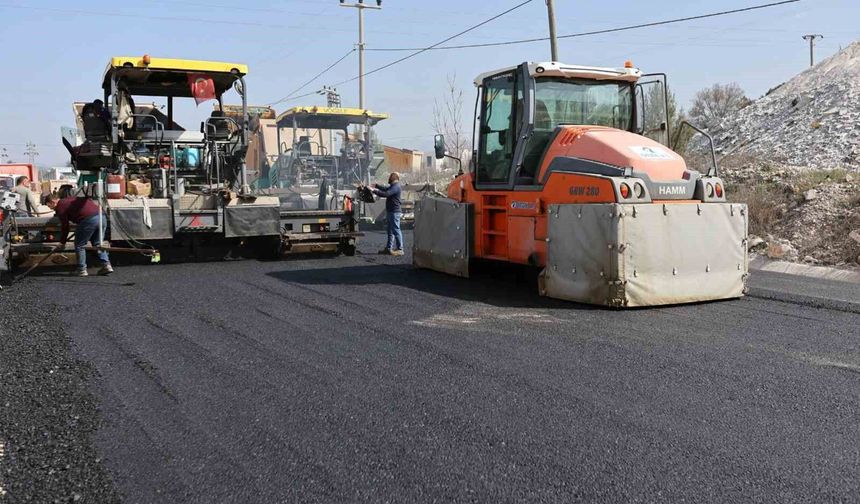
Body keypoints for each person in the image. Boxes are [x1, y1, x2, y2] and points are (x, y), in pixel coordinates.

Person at [45, 194, 112, 277]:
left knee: (80, 245)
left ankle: (82, 270)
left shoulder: (60, 206)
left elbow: (65, 226)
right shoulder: (70, 199)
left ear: (52, 202)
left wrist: (62, 242)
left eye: (49, 206)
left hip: (88, 220)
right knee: (98, 243)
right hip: (101, 217)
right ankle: (106, 265)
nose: (50, 208)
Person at [371, 172, 404, 256]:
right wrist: (377, 186)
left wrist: (374, 190)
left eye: (390, 177)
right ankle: (388, 248)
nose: (389, 179)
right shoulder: (394, 186)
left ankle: (400, 249)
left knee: (396, 230)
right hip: (391, 211)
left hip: (394, 212)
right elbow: (386, 189)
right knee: (390, 231)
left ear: (393, 178)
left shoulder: (396, 186)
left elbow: (386, 194)